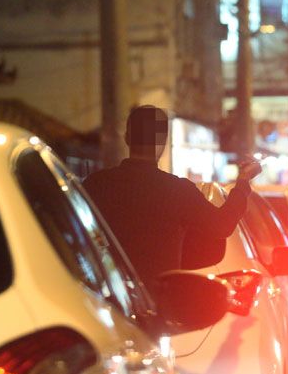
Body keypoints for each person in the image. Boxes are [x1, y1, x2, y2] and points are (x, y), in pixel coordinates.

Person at [83, 105, 261, 290]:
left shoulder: (96, 184)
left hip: (107, 298)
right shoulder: (178, 190)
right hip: (160, 302)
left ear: (127, 137)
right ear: (163, 140)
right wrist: (242, 182)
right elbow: (222, 226)